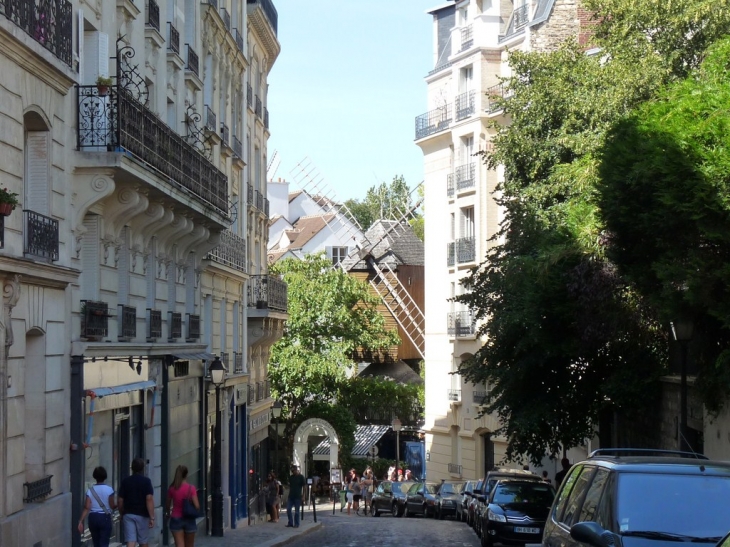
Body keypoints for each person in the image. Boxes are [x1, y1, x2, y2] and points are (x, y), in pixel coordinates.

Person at [118, 457, 155, 547]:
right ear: (143, 468)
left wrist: (121, 512)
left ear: (132, 468)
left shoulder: (125, 481)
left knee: (131, 540)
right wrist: (152, 517)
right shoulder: (146, 481)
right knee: (143, 541)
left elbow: (120, 500)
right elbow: (149, 499)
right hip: (142, 514)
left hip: (128, 513)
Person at [78, 466, 116, 547]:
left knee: (96, 543)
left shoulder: (90, 490)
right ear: (104, 476)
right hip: (105, 517)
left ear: (95, 476)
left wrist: (80, 521)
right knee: (104, 543)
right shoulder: (109, 490)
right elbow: (112, 506)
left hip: (93, 517)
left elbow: (87, 507)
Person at [165, 465, 200, 547]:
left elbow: (168, 504)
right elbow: (197, 506)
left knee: (179, 545)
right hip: (189, 518)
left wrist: (167, 513)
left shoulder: (172, 488)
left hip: (176, 518)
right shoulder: (191, 488)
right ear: (186, 475)